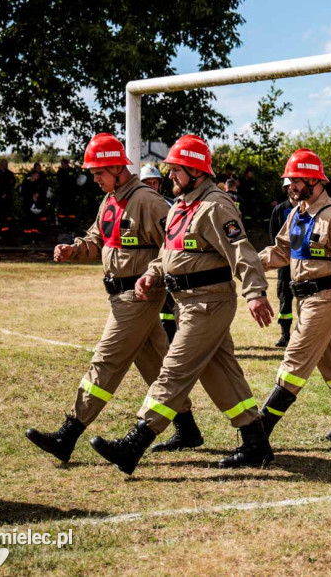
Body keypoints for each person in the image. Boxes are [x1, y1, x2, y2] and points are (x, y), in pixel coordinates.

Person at [91, 135, 276, 473]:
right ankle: (256, 443)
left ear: (196, 171)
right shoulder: (181, 205)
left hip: (210, 303)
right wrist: (152, 274)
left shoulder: (216, 205)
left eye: (176, 170)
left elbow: (241, 251)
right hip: (186, 302)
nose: (170, 175)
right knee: (221, 373)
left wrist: (256, 293)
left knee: (173, 370)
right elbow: (169, 253)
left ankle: (135, 443)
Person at [25, 133, 205, 464]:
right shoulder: (110, 199)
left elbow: (176, 240)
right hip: (121, 295)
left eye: (99, 173)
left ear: (118, 168)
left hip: (139, 296)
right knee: (155, 363)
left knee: (105, 362)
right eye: (93, 174)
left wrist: (157, 276)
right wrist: (74, 250)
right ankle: (187, 429)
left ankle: (68, 434)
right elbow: (98, 239)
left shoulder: (148, 201)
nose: (94, 180)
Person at [257, 149, 331, 442]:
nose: (290, 187)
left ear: (313, 179)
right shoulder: (299, 213)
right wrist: (248, 262)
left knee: (294, 359)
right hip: (304, 299)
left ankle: (259, 432)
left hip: (325, 298)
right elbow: (280, 250)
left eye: (295, 181)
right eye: (289, 182)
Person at [140, 164, 179, 344]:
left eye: (155, 182)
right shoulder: (136, 205)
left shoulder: (171, 204)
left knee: (172, 305)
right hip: (147, 264)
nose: (152, 186)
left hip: (168, 262)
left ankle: (173, 340)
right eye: (148, 183)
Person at [269, 178, 298, 348]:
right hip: (285, 264)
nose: (292, 189)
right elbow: (273, 237)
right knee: (284, 298)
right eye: (288, 186)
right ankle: (285, 335)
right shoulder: (280, 210)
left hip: (304, 263)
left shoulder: (310, 209)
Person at [55, 158, 81, 231]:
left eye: (64, 164)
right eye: (62, 164)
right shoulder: (60, 171)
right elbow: (59, 181)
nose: (63, 165)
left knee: (71, 210)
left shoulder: (72, 171)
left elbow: (75, 181)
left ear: (67, 164)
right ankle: (63, 224)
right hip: (62, 193)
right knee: (62, 210)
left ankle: (71, 224)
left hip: (71, 194)